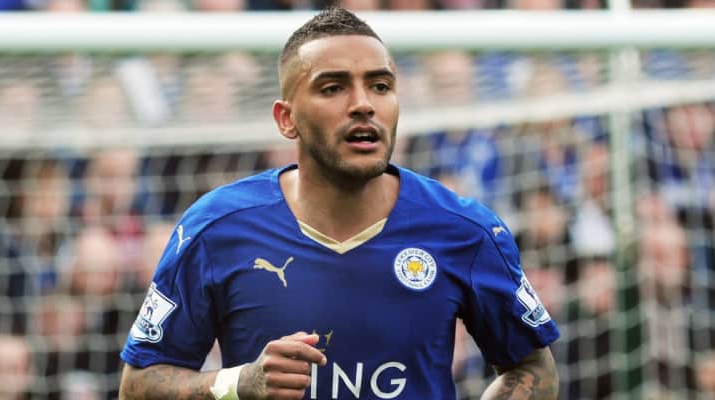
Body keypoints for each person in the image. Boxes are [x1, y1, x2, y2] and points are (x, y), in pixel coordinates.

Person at [118, 7, 560, 400]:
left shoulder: (465, 230)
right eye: (333, 88)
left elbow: (532, 368)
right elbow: (138, 385)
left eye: (380, 86)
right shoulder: (216, 228)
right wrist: (236, 384)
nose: (363, 104)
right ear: (286, 119)